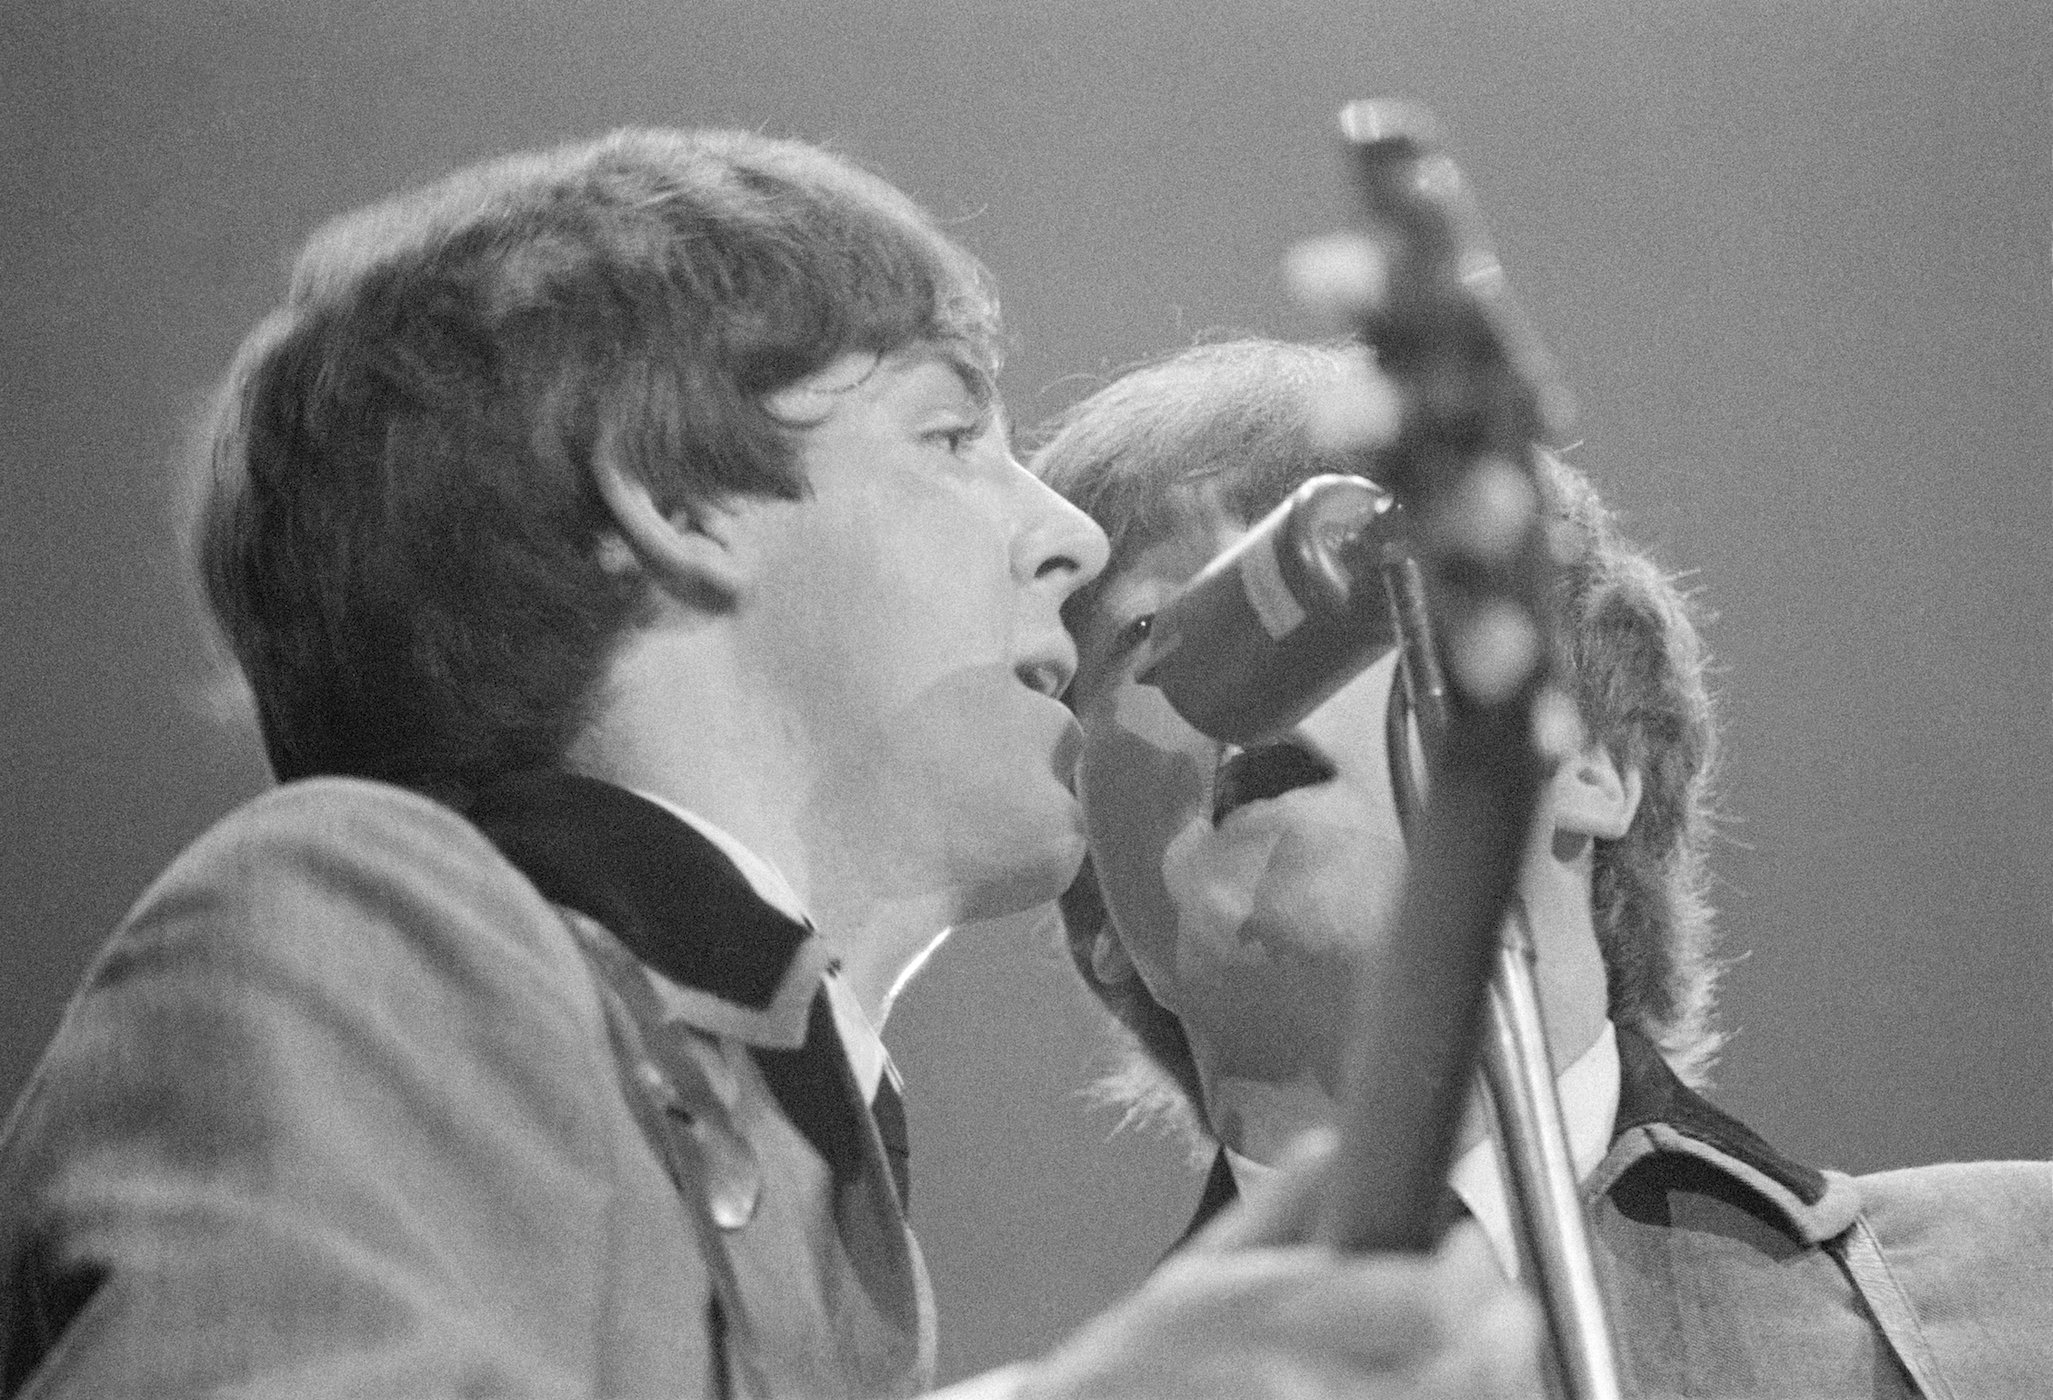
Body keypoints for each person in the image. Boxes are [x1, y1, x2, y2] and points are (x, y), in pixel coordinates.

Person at [0, 133, 1539, 1398]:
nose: (1064, 538)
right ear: (671, 496)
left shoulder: (818, 1175)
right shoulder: (350, 925)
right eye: (948, 438)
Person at [1035, 335, 2053, 1399]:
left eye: (1329, 583)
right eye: (1150, 630)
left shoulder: (2019, 1293)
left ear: (1593, 762)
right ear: (1094, 907)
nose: (1254, 658)